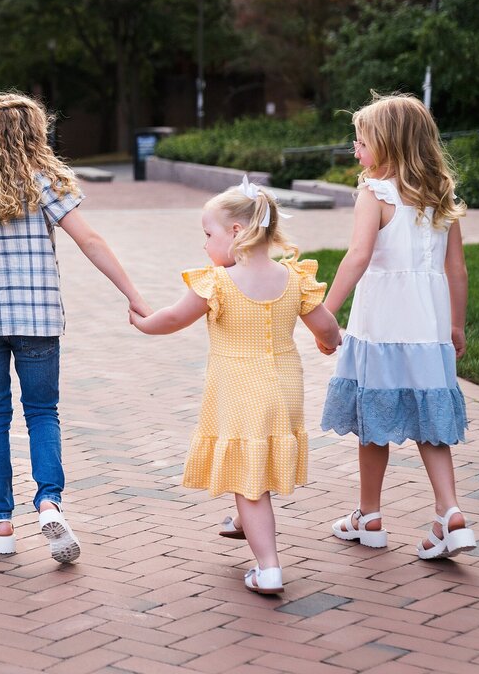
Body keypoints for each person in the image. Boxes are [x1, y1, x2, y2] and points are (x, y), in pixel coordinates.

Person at [0, 92, 150, 563]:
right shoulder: (45, 181)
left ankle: (1, 521)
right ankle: (49, 501)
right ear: (37, 132)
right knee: (42, 412)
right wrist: (134, 296)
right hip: (38, 318)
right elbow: (89, 239)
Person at [129, 179, 340, 594]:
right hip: (284, 389)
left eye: (209, 235)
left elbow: (172, 318)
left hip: (241, 389)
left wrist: (142, 322)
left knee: (249, 480)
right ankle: (244, 523)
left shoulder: (217, 283)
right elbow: (328, 328)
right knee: (254, 458)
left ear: (237, 233)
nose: (205, 245)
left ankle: (268, 567)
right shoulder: (294, 277)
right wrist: (328, 342)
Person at [320, 93, 476, 560]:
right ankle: (449, 512)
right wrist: (456, 326)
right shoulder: (440, 197)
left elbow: (358, 255)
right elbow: (458, 270)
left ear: (387, 145)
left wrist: (326, 312)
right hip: (427, 331)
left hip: (381, 327)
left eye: (361, 141)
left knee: (374, 421)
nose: (355, 149)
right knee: (432, 425)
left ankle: (369, 516)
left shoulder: (376, 193)